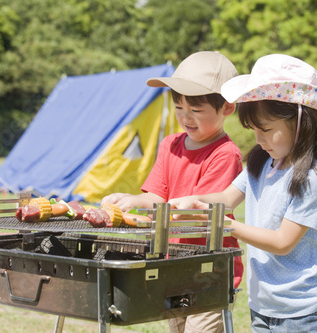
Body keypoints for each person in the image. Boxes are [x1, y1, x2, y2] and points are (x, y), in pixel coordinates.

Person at [169, 54, 317, 333]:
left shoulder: (312, 177)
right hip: (263, 305)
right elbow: (227, 198)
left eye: (266, 130)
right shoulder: (261, 162)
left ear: (299, 122)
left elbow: (282, 242)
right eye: (254, 130)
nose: (259, 140)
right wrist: (195, 200)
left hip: (303, 311)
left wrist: (227, 226)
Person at [102, 51, 244, 333]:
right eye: (179, 107)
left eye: (197, 110)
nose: (186, 118)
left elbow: (199, 216)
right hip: (172, 264)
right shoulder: (170, 145)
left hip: (208, 269)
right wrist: (130, 200)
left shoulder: (225, 154)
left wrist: (150, 213)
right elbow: (156, 196)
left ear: (227, 107)